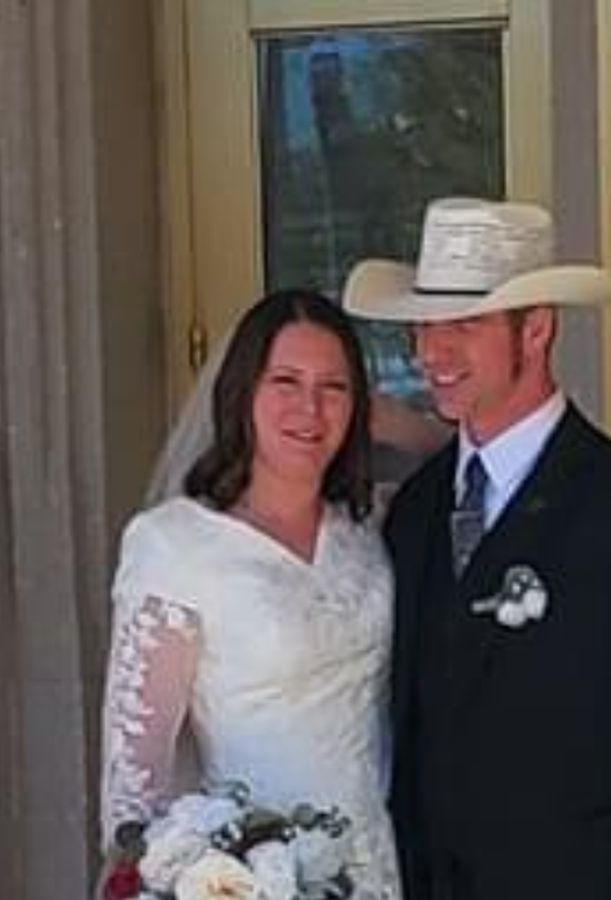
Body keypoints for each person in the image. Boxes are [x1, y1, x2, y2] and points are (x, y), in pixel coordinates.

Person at [342, 197, 611, 900]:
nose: (431, 353)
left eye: (465, 324)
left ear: (538, 328)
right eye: (424, 326)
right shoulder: (417, 512)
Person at [98, 288, 401, 898]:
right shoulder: (177, 545)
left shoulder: (365, 531)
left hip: (376, 863)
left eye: (334, 387)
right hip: (255, 871)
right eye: (285, 381)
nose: (310, 408)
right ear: (243, 392)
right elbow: (137, 778)